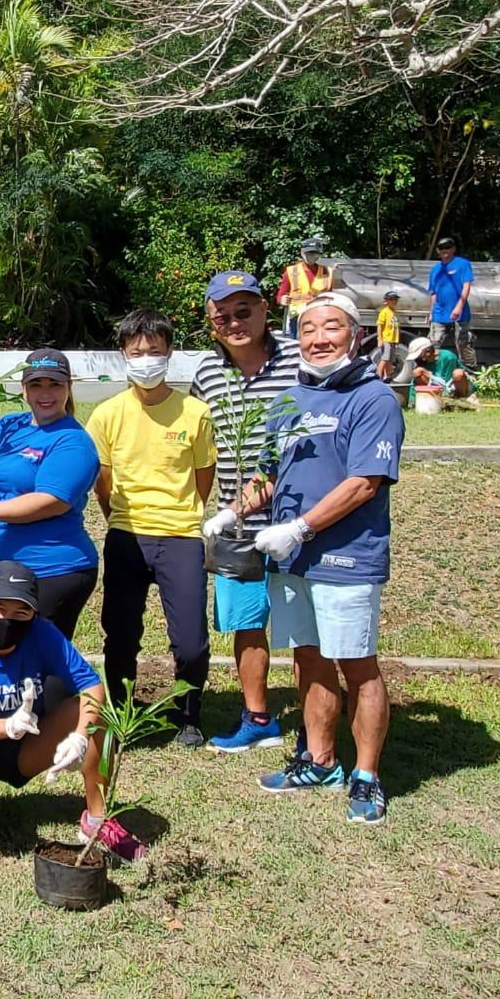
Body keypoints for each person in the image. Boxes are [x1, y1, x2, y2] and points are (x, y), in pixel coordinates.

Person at [231, 291, 404, 825]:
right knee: (308, 657)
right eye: (308, 329)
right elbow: (270, 474)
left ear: (355, 335)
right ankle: (320, 759)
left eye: (332, 328)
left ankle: (367, 776)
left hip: (346, 557)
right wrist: (230, 514)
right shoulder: (290, 400)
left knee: (357, 664)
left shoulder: (373, 399)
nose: (319, 339)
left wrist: (301, 528)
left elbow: (364, 484)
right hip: (293, 562)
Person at [0, 561, 144, 859]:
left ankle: (97, 820)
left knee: (99, 714)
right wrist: (7, 726)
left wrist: (81, 738)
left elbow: (93, 688)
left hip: (29, 745)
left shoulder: (43, 635)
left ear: (34, 613)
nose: (8, 619)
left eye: (21, 612)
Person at [86, 309, 216, 747]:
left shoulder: (195, 413)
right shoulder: (106, 415)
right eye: (137, 352)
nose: (146, 360)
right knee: (121, 632)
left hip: (181, 535)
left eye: (154, 351)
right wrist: (119, 520)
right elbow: (102, 481)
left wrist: (183, 516)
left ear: (169, 353)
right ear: (124, 354)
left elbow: (203, 479)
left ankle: (188, 713)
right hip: (126, 533)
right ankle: (123, 709)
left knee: (192, 641)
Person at [190, 273, 302, 754]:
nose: (235, 322)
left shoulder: (300, 360)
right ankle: (258, 716)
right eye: (223, 316)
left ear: (264, 310)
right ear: (212, 324)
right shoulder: (206, 374)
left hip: (299, 520)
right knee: (246, 623)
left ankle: (317, 720)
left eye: (243, 311)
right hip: (234, 525)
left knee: (304, 629)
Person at [0, 349, 100, 639]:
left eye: (55, 384)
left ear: (68, 387)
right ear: (23, 389)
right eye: (36, 384)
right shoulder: (6, 427)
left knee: (35, 667)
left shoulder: (73, 441)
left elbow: (50, 502)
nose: (45, 393)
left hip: (50, 569)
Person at [427, 236, 478, 370]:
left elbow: (466, 286)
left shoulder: (463, 264)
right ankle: (433, 371)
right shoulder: (435, 269)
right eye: (441, 248)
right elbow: (433, 293)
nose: (445, 250)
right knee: (433, 343)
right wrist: (431, 312)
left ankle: (470, 372)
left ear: (453, 248)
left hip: (460, 313)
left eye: (448, 247)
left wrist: (459, 306)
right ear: (438, 251)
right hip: (439, 312)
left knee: (463, 344)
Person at [277, 236, 332, 336]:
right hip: (297, 317)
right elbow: (281, 295)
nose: (311, 256)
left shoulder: (327, 272)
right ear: (302, 252)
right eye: (309, 253)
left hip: (320, 315)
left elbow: (333, 296)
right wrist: (282, 299)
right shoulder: (291, 271)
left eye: (315, 253)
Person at [403, 335, 474, 402]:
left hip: (454, 386)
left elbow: (447, 384)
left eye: (418, 355)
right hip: (438, 388)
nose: (417, 359)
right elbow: (414, 384)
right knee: (417, 372)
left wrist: (428, 374)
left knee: (458, 373)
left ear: (427, 352)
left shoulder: (448, 357)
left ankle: (460, 400)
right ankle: (433, 399)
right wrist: (412, 400)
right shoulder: (422, 362)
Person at [374, 290, 401, 382]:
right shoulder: (384, 312)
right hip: (386, 339)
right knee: (385, 358)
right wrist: (380, 339)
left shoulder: (394, 312)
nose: (395, 301)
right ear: (387, 301)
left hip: (393, 340)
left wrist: (397, 340)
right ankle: (377, 376)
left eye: (396, 299)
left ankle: (387, 376)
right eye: (392, 299)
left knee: (390, 359)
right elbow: (379, 326)